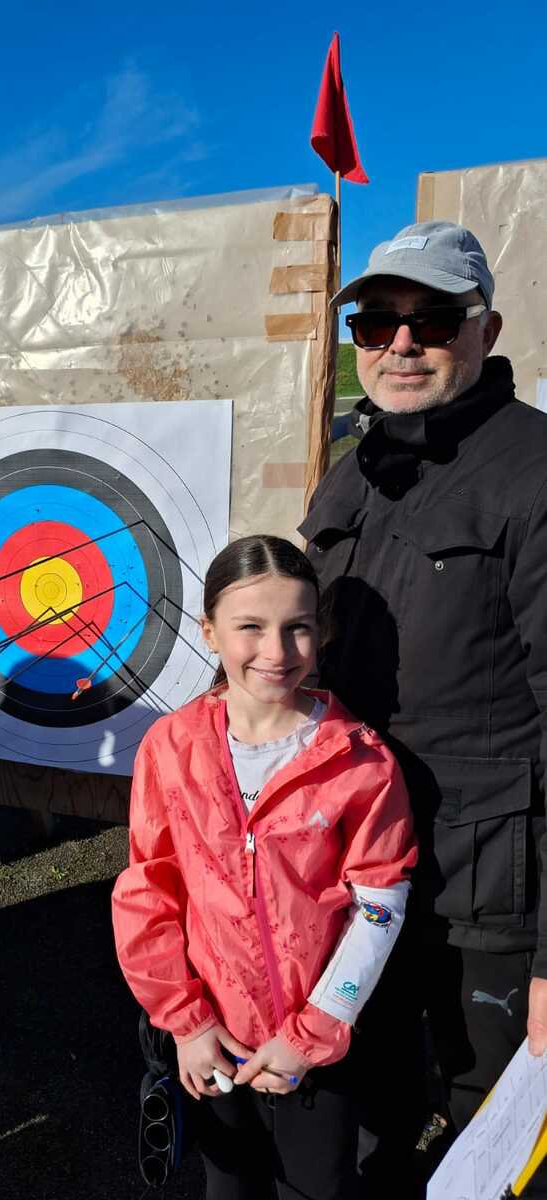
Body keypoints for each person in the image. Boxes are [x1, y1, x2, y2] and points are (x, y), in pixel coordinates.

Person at [300, 220, 547, 1192]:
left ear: (486, 329)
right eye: (375, 322)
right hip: (355, 878)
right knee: (371, 1117)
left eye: (433, 320)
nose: (400, 344)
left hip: (480, 892)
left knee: (496, 1150)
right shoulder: (353, 469)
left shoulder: (534, 471)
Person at [112, 535, 416, 1200]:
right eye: (250, 627)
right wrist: (187, 1023)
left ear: (321, 632)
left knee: (317, 1189)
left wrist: (314, 1034)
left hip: (319, 1054)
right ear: (210, 632)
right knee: (229, 1185)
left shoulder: (362, 760)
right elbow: (147, 890)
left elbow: (379, 904)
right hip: (212, 1043)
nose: (276, 652)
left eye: (297, 627)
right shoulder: (170, 746)